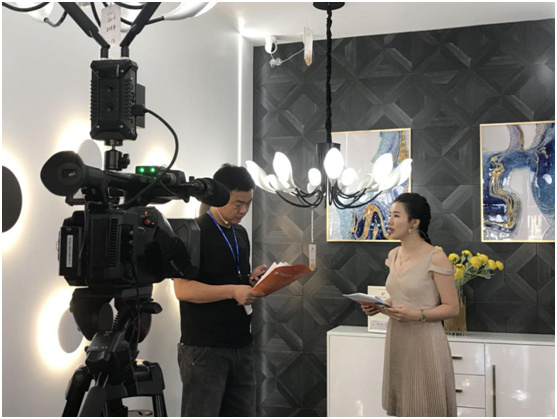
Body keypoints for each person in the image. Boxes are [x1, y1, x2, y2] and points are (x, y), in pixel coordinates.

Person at [173, 164, 268, 417]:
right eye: (238, 204)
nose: (243, 210)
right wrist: (233, 291)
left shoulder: (240, 233)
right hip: (204, 348)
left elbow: (229, 276)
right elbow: (182, 289)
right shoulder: (192, 232)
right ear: (218, 196)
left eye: (248, 204)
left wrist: (250, 280)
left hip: (241, 344)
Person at [362, 192, 459, 417]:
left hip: (425, 342)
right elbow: (401, 296)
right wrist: (378, 305)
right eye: (390, 215)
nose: (389, 221)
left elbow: (452, 307)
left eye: (396, 216)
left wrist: (416, 315)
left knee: (425, 406)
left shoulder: (436, 257)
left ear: (414, 223)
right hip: (398, 338)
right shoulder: (393, 254)